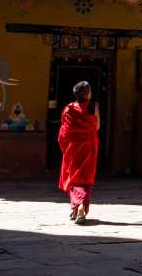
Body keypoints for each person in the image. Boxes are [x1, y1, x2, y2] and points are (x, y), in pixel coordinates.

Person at [57, 81, 100, 225]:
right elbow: (97, 126)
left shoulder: (69, 108)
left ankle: (77, 207)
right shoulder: (93, 106)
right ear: (88, 94)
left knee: (73, 176)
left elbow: (64, 131)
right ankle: (80, 207)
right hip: (89, 146)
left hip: (73, 147)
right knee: (85, 177)